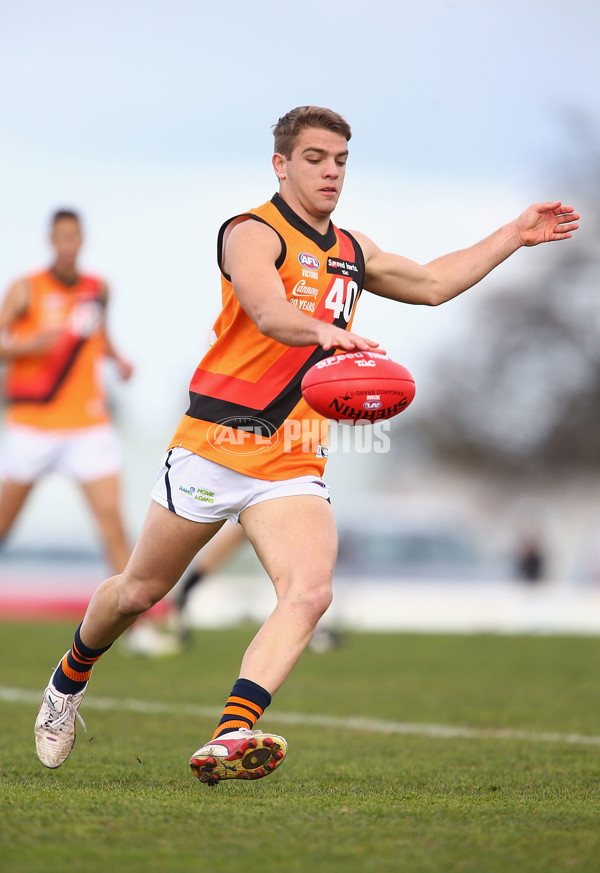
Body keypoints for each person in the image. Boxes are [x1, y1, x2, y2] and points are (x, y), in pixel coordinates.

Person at [33, 107, 579, 785]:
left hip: (292, 455)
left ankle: (232, 732)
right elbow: (267, 309)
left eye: (340, 160)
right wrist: (320, 330)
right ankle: (68, 679)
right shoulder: (250, 232)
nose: (330, 172)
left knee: (310, 591)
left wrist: (514, 236)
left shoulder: (352, 249)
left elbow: (433, 284)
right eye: (315, 158)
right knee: (138, 591)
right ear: (281, 165)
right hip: (215, 443)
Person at [0, 209, 133, 575]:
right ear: (50, 240)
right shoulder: (26, 288)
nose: (68, 244)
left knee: (113, 525)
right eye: (61, 237)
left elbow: (99, 337)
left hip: (88, 424)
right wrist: (29, 346)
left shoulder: (97, 289)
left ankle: (135, 611)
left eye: (73, 236)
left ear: (82, 240)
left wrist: (118, 360)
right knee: (3, 525)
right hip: (33, 425)